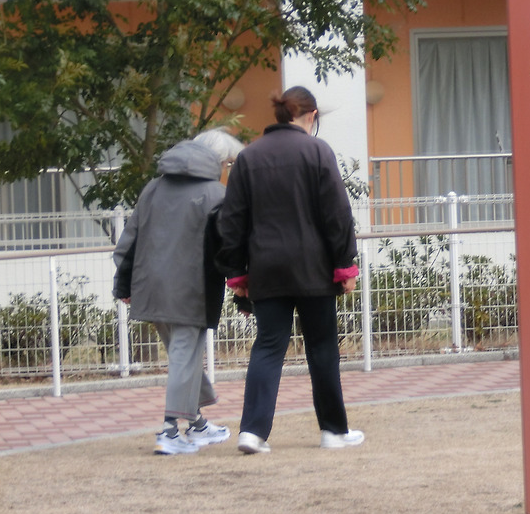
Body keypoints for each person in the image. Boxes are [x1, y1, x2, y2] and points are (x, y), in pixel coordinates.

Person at [216, 86, 364, 453]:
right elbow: (337, 214)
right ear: (312, 116)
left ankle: (252, 432)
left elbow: (232, 220)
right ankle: (333, 431)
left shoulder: (248, 157)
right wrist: (345, 265)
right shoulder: (318, 151)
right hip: (315, 270)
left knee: (268, 346)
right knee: (322, 347)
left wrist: (236, 273)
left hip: (266, 269)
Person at [113, 128, 243, 455]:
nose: (227, 169)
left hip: (150, 285)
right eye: (227, 163)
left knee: (181, 355)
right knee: (184, 355)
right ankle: (170, 430)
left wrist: (124, 284)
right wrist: (242, 282)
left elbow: (130, 239)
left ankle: (197, 424)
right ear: (217, 160)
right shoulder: (216, 194)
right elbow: (228, 248)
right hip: (191, 289)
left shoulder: (153, 188)